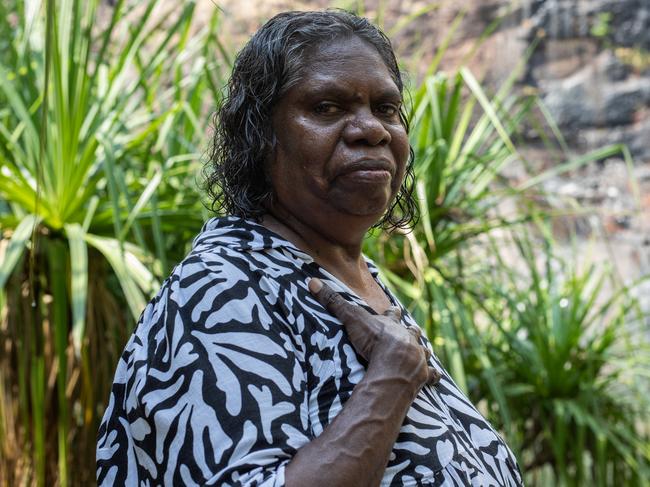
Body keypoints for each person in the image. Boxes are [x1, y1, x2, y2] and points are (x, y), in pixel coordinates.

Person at [96, 10, 524, 487]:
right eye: (327, 107)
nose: (373, 129)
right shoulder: (223, 288)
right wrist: (391, 378)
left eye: (385, 108)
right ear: (260, 136)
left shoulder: (356, 281)